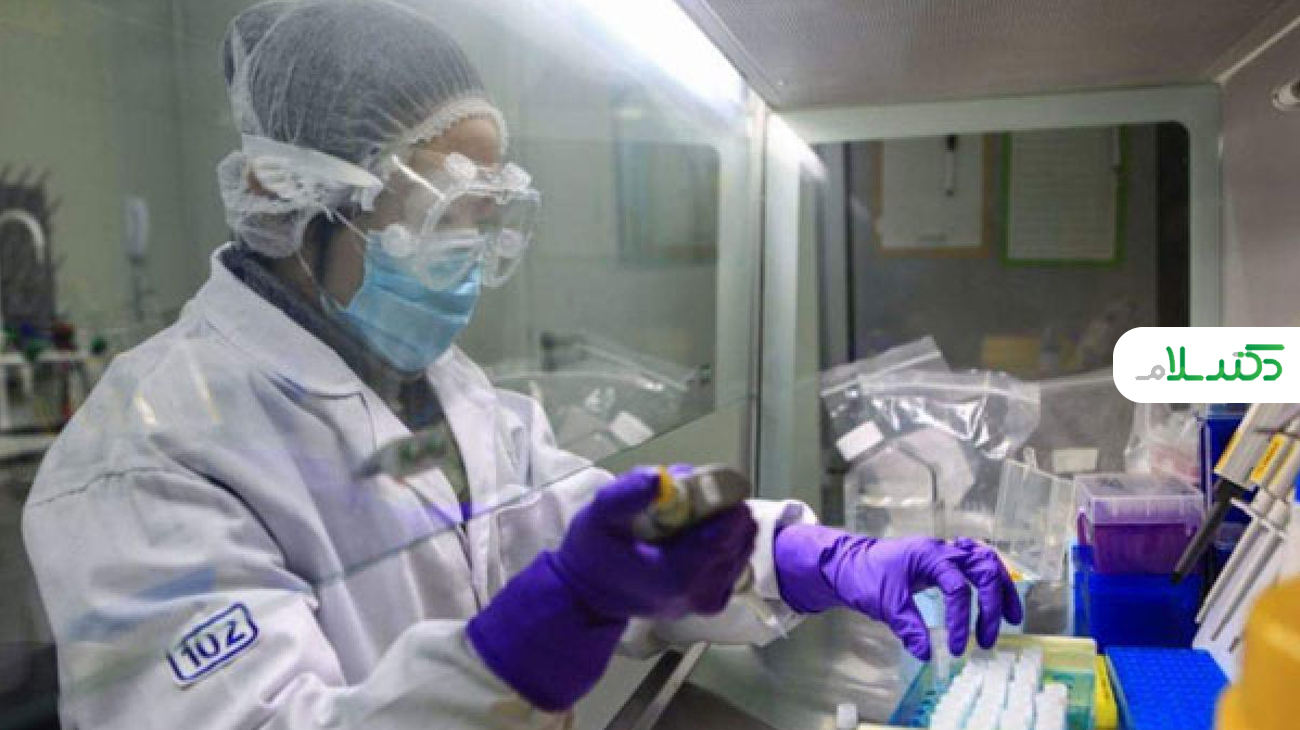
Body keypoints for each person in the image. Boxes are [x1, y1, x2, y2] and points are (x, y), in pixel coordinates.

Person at [21, 1, 1021, 728]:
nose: (470, 256)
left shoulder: (444, 389)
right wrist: (538, 630)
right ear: (295, 199)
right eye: (438, 215)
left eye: (485, 215)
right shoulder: (147, 454)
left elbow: (584, 526)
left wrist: (807, 556)